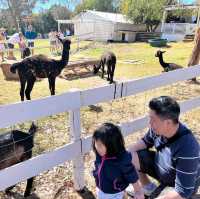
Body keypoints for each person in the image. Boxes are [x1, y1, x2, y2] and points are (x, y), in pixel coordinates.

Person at [126, 96, 200, 199]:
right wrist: (123, 156)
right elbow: (144, 142)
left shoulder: (188, 148)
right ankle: (148, 187)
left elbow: (183, 191)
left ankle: (159, 193)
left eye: (153, 119)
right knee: (129, 156)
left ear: (168, 123)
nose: (150, 123)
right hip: (161, 168)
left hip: (178, 186)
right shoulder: (157, 129)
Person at [92, 122, 144, 199]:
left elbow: (132, 175)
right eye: (95, 143)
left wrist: (138, 191)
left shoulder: (121, 160)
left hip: (114, 193)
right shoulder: (100, 154)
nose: (96, 147)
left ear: (111, 145)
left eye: (100, 145)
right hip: (102, 189)